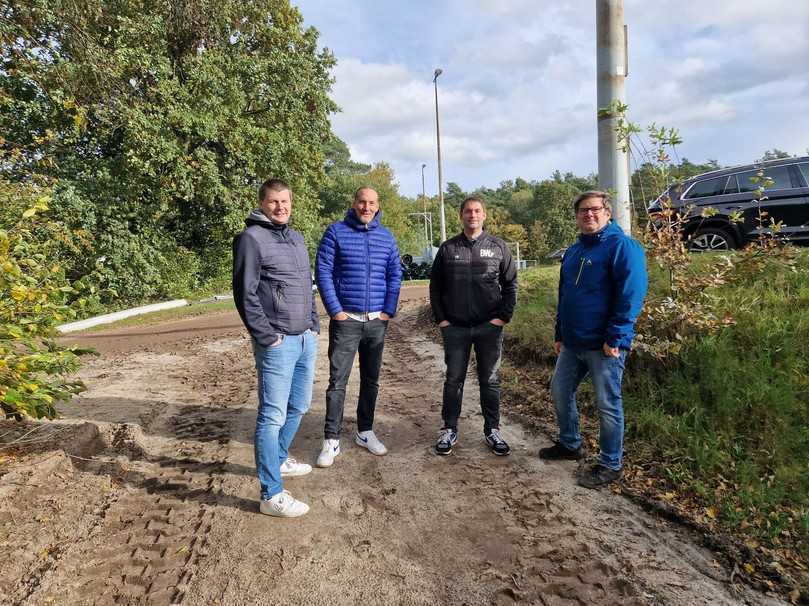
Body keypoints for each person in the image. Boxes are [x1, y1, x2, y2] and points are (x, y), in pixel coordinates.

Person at [539, 190, 647, 489]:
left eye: (595, 209)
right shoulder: (573, 252)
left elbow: (631, 296)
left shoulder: (623, 247)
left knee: (607, 404)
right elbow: (565, 296)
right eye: (583, 210)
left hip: (605, 345)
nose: (589, 214)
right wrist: (560, 332)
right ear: (576, 216)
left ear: (607, 213)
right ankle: (570, 444)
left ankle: (611, 463)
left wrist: (616, 336)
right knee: (560, 391)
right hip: (573, 343)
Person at [233, 178, 319, 517]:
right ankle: (270, 494)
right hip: (277, 343)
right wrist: (266, 335)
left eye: (285, 201)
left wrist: (313, 323)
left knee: (299, 405)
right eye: (273, 202)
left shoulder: (296, 237)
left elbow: (306, 284)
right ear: (262, 203)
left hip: (303, 339)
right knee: (272, 415)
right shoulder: (251, 239)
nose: (281, 207)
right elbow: (245, 293)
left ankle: (280, 459)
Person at [314, 186, 402, 467]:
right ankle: (331, 439)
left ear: (378, 206)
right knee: (337, 382)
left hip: (376, 322)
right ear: (354, 204)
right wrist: (335, 311)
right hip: (346, 321)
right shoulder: (335, 232)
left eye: (372, 203)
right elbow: (323, 271)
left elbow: (394, 274)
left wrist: (388, 310)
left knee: (371, 380)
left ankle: (365, 431)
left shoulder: (386, 237)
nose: (366, 207)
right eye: (362, 202)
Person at [429, 195, 517, 456]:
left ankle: (492, 429)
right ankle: (449, 429)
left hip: (489, 327)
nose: (472, 215)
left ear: (484, 215)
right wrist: (442, 319)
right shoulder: (447, 249)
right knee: (453, 379)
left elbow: (511, 284)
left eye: (477, 211)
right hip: (455, 327)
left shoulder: (499, 247)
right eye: (468, 211)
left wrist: (503, 317)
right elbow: (435, 287)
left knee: (489, 379)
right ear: (461, 216)